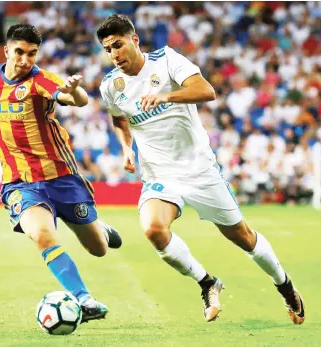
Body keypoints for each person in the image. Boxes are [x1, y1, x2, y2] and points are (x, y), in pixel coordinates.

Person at [97, 14, 305, 324]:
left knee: (243, 237)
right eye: (108, 49)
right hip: (160, 174)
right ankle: (207, 282)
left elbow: (206, 90)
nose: (114, 54)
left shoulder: (166, 60)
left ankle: (284, 285)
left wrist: (166, 95)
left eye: (118, 45)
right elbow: (118, 118)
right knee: (154, 228)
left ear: (134, 40)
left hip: (200, 169)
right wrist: (127, 147)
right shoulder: (110, 85)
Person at [0, 24, 122, 323]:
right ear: (7, 50)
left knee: (98, 249)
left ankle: (100, 228)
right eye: (20, 52)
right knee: (41, 234)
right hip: (20, 181)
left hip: (61, 176)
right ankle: (83, 298)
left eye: (32, 54)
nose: (25, 60)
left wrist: (74, 93)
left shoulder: (42, 80)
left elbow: (76, 100)